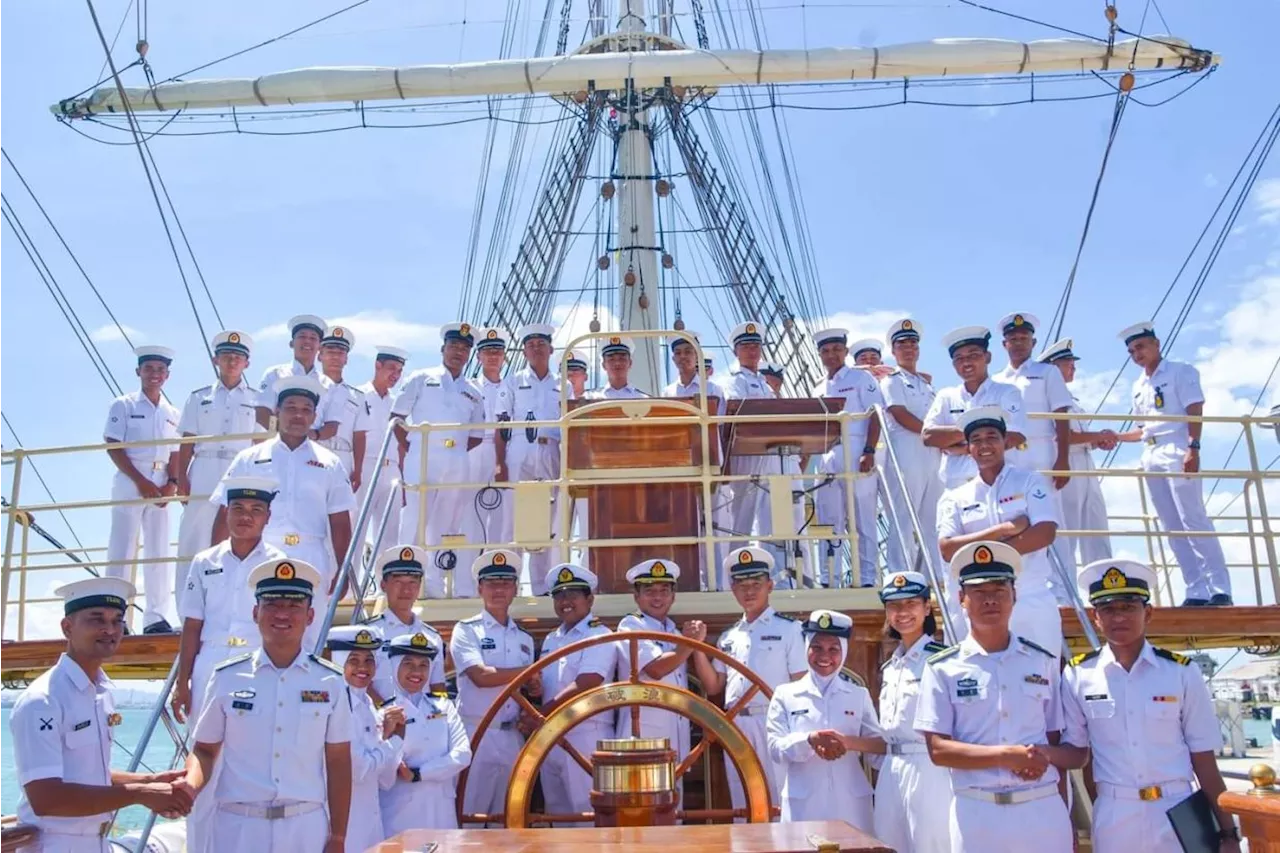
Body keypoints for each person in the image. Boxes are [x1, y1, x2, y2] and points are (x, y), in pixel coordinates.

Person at [914, 541, 1084, 853]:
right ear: (961, 598)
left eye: (999, 589)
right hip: (977, 815)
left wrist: (1064, 812)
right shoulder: (942, 668)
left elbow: (1059, 745)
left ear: (1014, 596)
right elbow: (938, 750)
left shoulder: (1043, 662)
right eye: (979, 591)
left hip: (1042, 810)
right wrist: (1006, 756)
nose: (990, 599)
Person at [1061, 559, 1240, 853]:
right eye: (1108, 609)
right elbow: (1082, 757)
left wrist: (1228, 833)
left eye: (1128, 607)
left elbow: (1204, 761)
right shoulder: (1078, 675)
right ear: (1095, 617)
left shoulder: (1181, 672)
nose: (1118, 617)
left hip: (1177, 810)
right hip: (1115, 814)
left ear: (1148, 612)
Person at [11, 577, 192, 853]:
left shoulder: (101, 692)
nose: (109, 629)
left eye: (117, 620)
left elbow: (88, 773)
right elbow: (45, 798)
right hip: (54, 843)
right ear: (67, 627)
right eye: (97, 619)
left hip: (98, 843)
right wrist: (140, 794)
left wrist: (149, 780)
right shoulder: (43, 700)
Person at [184, 558, 352, 853]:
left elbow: (338, 761)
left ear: (310, 615)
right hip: (238, 828)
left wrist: (338, 836)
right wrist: (190, 786)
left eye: (294, 605)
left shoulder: (331, 682)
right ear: (255, 612)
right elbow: (205, 750)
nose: (282, 614)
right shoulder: (226, 677)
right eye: (272, 604)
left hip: (304, 828)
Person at [212, 376, 355, 645]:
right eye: (290, 407)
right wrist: (220, 563)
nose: (298, 415)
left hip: (312, 557)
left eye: (305, 409)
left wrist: (344, 568)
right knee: (252, 635)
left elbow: (340, 521)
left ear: (314, 415)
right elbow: (224, 514)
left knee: (310, 639)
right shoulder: (249, 458)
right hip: (259, 555)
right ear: (277, 411)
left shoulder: (330, 463)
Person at [1115, 322, 1232, 605]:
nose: (1137, 354)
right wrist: (1114, 437)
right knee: (1171, 525)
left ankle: (1219, 589)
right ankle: (1196, 590)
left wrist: (1194, 446)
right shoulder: (1139, 385)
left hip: (1178, 447)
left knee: (1193, 519)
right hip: (1151, 453)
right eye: (1132, 351)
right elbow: (1142, 428)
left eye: (1141, 347)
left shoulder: (1180, 371)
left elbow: (1194, 408)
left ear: (1156, 343)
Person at [937, 406, 1063, 654]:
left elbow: (1045, 532)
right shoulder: (955, 497)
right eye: (976, 440)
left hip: (1030, 598)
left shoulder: (1029, 481)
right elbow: (947, 548)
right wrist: (1003, 529)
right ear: (968, 448)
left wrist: (984, 552)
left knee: (1041, 684)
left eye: (992, 437)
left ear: (1005, 441)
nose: (985, 445)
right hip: (979, 604)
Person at [689, 547, 805, 813]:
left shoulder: (789, 630)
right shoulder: (730, 637)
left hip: (775, 721)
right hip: (738, 724)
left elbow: (801, 684)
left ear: (770, 586)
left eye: (756, 584)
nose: (749, 592)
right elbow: (714, 686)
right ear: (733, 590)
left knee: (780, 797)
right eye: (742, 586)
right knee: (743, 797)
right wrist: (696, 647)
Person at [173, 477, 285, 725]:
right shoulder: (205, 561)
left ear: (268, 516)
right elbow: (192, 625)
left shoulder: (278, 564)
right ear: (226, 513)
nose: (246, 516)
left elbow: (284, 627)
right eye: (238, 509)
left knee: (251, 748)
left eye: (256, 510)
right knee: (202, 748)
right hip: (210, 664)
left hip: (257, 663)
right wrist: (182, 683)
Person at [765, 609, 882, 829]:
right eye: (816, 647)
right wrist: (810, 739)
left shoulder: (858, 695)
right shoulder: (785, 694)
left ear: (844, 651)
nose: (824, 656)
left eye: (833, 649)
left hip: (851, 805)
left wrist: (848, 743)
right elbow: (775, 748)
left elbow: (877, 752)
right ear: (806, 648)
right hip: (804, 806)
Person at [392, 322, 485, 599]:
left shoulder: (474, 391)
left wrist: (452, 451)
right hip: (422, 455)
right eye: (454, 346)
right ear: (443, 348)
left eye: (464, 348)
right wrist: (412, 447)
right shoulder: (421, 378)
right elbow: (396, 420)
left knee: (446, 526)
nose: (458, 352)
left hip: (457, 459)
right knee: (414, 521)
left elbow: (477, 435)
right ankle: (404, 581)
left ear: (469, 354)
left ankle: (434, 584)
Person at [449, 549, 537, 823]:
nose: (499, 589)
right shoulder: (466, 630)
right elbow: (480, 676)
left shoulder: (525, 639)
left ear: (515, 589)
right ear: (480, 588)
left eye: (506, 583)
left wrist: (533, 693)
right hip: (477, 734)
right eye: (491, 583)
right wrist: (531, 672)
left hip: (512, 737)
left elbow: (527, 690)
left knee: (507, 816)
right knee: (470, 815)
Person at [177, 330, 264, 603]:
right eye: (226, 356)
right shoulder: (198, 397)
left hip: (239, 468)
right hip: (204, 467)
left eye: (238, 357)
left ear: (247, 364)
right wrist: (181, 478)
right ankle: (185, 606)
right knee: (193, 539)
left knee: (235, 537)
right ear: (216, 360)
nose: (232, 361)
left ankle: (226, 603)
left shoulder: (257, 398)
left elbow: (259, 441)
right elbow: (187, 441)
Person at [873, 570, 953, 853]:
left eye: (911, 604)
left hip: (928, 767)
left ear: (926, 607)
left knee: (930, 844)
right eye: (894, 605)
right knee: (889, 844)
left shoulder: (942, 660)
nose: (902, 612)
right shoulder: (891, 666)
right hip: (890, 769)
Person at [103, 345, 181, 634]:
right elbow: (113, 445)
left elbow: (175, 451)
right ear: (139, 372)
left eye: (160, 370)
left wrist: (171, 484)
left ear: (167, 375)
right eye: (149, 369)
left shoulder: (172, 412)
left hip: (161, 483)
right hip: (130, 479)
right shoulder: (123, 405)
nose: (154, 375)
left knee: (159, 550)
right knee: (122, 549)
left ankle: (156, 617)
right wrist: (140, 481)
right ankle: (114, 616)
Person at [536, 563, 616, 823]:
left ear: (589, 599)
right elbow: (547, 686)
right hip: (552, 735)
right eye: (559, 595)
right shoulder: (551, 640)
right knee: (557, 812)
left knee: (588, 812)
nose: (565, 601)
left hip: (586, 735)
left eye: (573, 594)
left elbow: (588, 681)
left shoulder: (599, 635)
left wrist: (540, 716)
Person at [378, 631, 472, 835]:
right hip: (398, 812)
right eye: (408, 664)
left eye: (423, 665)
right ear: (394, 666)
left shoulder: (444, 707)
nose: (416, 672)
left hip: (441, 810)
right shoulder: (382, 714)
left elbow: (463, 754)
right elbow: (381, 768)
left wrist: (419, 774)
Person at [812, 328, 884, 588]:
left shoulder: (860, 378)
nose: (831, 355)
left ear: (844, 351)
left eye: (836, 350)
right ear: (820, 354)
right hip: (827, 453)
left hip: (856, 449)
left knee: (863, 518)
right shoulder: (818, 386)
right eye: (826, 351)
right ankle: (829, 579)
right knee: (828, 520)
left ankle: (866, 578)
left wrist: (869, 450)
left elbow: (875, 414)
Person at [324, 626, 404, 853]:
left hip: (370, 821)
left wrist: (386, 737)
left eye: (369, 660)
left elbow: (385, 780)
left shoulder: (368, 704)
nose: (363, 667)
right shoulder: (336, 705)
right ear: (339, 661)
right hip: (344, 825)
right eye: (354, 660)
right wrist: (395, 742)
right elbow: (358, 769)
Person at [1037, 339, 1114, 567]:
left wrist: (1097, 442)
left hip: (1086, 464)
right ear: (1052, 368)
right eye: (1067, 363)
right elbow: (1063, 436)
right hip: (1065, 462)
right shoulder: (1046, 400)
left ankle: (1102, 580)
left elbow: (1080, 436)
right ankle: (1065, 587)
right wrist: (1098, 435)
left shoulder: (1072, 401)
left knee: (1095, 526)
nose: (1073, 368)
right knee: (1068, 530)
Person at [616, 559, 700, 762]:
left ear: (673, 596)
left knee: (673, 794)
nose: (658, 597)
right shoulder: (631, 625)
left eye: (664, 591)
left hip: (675, 739)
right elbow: (656, 669)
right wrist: (690, 642)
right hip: (642, 739)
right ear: (636, 597)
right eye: (649, 591)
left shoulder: (674, 631)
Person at [923, 326, 1027, 490]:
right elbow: (928, 437)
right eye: (959, 358)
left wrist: (961, 447)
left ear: (988, 357)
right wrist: (987, 433)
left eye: (973, 355)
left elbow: (1015, 436)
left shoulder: (1007, 392)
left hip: (999, 484)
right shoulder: (946, 396)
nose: (966, 363)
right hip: (955, 486)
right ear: (953, 364)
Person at [880, 319, 945, 584]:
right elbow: (899, 413)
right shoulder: (892, 381)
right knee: (904, 517)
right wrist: (933, 434)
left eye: (913, 344)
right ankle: (900, 574)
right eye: (902, 345)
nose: (909, 349)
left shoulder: (927, 385)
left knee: (933, 518)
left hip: (932, 454)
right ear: (893, 352)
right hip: (907, 451)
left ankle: (933, 576)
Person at [663, 334, 730, 588]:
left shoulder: (713, 390)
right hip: (682, 467)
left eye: (688, 352)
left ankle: (718, 584)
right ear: (673, 358)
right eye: (679, 353)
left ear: (697, 356)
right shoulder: (668, 392)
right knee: (687, 526)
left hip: (711, 463)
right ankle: (694, 582)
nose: (683, 357)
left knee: (715, 527)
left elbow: (721, 427)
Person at [506, 323, 563, 594]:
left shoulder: (562, 385)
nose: (537, 349)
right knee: (515, 519)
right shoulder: (514, 381)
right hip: (519, 451)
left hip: (551, 450)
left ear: (551, 349)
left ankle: (542, 587)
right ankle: (510, 584)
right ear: (525, 351)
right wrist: (498, 462)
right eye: (531, 345)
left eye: (541, 344)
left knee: (548, 521)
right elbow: (501, 421)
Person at [993, 313, 1073, 484]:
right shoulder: (996, 381)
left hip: (1042, 453)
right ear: (1004, 344)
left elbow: (1062, 416)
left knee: (1048, 508)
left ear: (1033, 342)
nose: (1019, 343)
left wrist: (1063, 460)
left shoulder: (1047, 372)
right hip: (1008, 455)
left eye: (1024, 338)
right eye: (1013, 339)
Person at [721, 321, 777, 561]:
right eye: (746, 346)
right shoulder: (734, 380)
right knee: (742, 512)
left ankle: (767, 561)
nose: (752, 351)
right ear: (736, 352)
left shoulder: (765, 384)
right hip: (746, 452)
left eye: (756, 345)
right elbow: (737, 409)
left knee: (769, 513)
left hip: (770, 452)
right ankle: (736, 562)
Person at [366, 545, 448, 703]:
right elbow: (362, 685)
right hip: (380, 722)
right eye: (398, 582)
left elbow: (438, 686)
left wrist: (441, 716)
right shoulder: (370, 633)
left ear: (419, 586)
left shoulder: (432, 637)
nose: (406, 590)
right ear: (384, 585)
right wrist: (386, 712)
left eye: (412, 583)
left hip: (422, 723)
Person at [354, 345, 409, 560]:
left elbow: (402, 442)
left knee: (390, 534)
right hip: (366, 466)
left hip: (392, 469)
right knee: (357, 529)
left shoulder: (398, 402)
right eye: (392, 369)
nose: (395, 376)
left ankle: (386, 589)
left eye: (399, 372)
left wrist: (403, 480)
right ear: (378, 365)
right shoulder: (358, 395)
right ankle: (349, 590)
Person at [757, 362, 806, 589]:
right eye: (765, 382)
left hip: (791, 467)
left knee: (796, 525)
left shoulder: (792, 409)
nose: (770, 387)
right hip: (767, 468)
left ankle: (800, 578)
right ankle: (775, 580)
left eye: (773, 383)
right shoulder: (755, 411)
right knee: (768, 528)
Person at [312, 325, 370, 502]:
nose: (335, 356)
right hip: (314, 451)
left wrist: (358, 470)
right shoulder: (308, 387)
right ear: (320, 355)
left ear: (346, 359)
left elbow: (359, 435)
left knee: (339, 510)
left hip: (343, 456)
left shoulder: (357, 396)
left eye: (341, 352)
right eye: (330, 350)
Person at [472, 326, 514, 552]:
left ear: (504, 358)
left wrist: (502, 461)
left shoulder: (513, 387)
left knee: (502, 514)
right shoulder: (470, 387)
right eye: (487, 352)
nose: (493, 357)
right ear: (478, 357)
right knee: (472, 513)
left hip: (507, 451)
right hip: (476, 450)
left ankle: (497, 561)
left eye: (497, 352)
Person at [255, 314, 328, 428]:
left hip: (315, 444)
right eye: (302, 336)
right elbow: (262, 412)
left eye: (313, 338)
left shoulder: (327, 383)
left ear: (319, 347)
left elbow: (330, 423)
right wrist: (289, 435)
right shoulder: (274, 374)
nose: (307, 341)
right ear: (291, 343)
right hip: (280, 441)